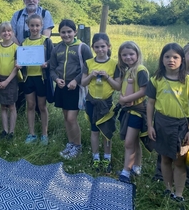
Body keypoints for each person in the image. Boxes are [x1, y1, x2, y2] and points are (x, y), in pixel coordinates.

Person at [146, 43, 189, 203]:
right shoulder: (156, 79)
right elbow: (150, 103)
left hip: (181, 126)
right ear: (162, 59)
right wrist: (150, 125)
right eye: (167, 56)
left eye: (175, 57)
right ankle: (168, 188)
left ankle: (179, 194)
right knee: (165, 158)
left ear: (182, 59)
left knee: (180, 161)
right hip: (161, 124)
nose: (171, 60)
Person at [50, 19, 93, 159]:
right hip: (62, 86)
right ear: (59, 33)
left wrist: (76, 80)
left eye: (69, 31)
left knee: (71, 118)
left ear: (75, 32)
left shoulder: (83, 47)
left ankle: (78, 146)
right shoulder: (57, 48)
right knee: (66, 118)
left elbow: (88, 67)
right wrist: (56, 79)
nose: (66, 35)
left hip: (76, 87)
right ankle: (71, 143)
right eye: (63, 32)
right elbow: (51, 68)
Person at [81, 33, 121, 174]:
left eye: (103, 46)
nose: (100, 50)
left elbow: (118, 86)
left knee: (106, 132)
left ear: (108, 46)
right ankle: (96, 157)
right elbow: (83, 82)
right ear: (92, 48)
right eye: (96, 47)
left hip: (107, 104)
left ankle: (107, 158)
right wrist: (91, 75)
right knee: (94, 131)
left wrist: (107, 77)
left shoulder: (114, 64)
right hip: (92, 102)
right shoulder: (89, 63)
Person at [17, 14, 53, 145]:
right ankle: (31, 134)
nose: (35, 28)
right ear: (28, 26)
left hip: (41, 78)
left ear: (41, 26)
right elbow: (20, 60)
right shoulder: (24, 42)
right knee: (30, 106)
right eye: (32, 25)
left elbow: (52, 59)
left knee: (42, 106)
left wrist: (47, 64)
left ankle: (44, 134)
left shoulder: (46, 41)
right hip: (28, 79)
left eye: (37, 25)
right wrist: (19, 65)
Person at [116, 41, 149, 183]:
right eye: (124, 55)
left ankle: (125, 172)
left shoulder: (140, 70)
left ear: (137, 54)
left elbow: (144, 90)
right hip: (129, 110)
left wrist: (126, 99)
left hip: (137, 111)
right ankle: (136, 167)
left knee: (129, 142)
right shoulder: (129, 70)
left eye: (131, 54)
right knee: (135, 141)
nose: (128, 57)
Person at [0, 22, 19, 140]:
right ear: (0, 34)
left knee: (12, 106)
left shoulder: (17, 48)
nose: (6, 33)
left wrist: (6, 82)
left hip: (11, 80)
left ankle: (12, 132)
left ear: (12, 33)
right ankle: (5, 130)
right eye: (3, 31)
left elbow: (16, 68)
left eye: (9, 31)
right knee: (3, 106)